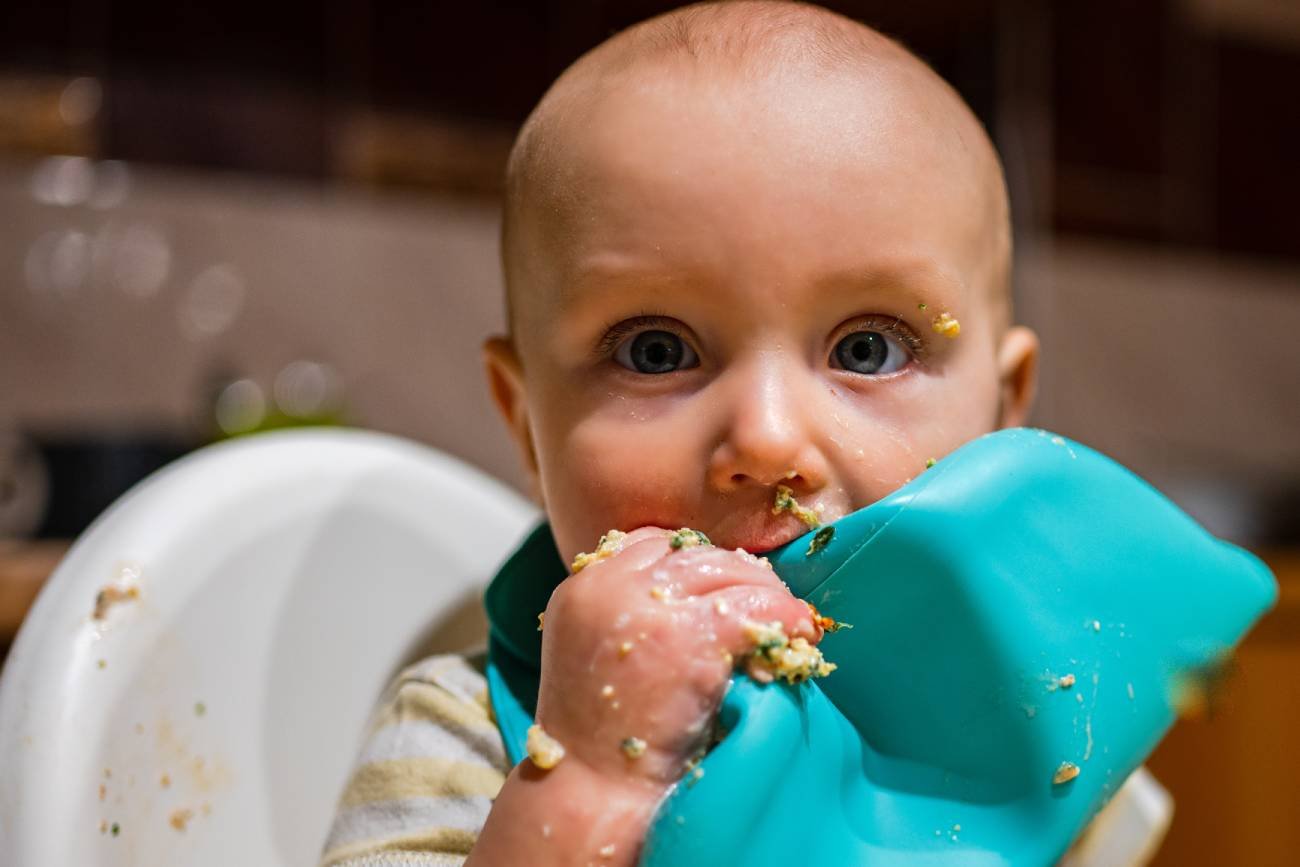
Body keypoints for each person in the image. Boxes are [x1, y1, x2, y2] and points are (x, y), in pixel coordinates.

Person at [319, 2, 1042, 864]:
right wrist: (587, 781)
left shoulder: (1027, 727)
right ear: (525, 423)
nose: (769, 440)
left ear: (1004, 410)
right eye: (656, 351)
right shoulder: (458, 738)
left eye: (868, 347)